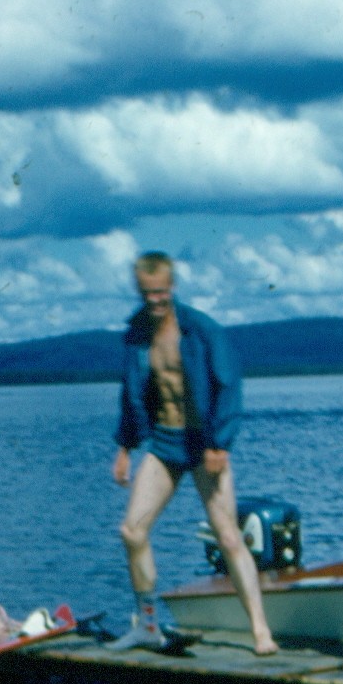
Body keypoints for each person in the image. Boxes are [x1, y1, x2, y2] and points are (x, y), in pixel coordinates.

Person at [111, 251, 278, 655]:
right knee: (132, 531)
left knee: (227, 535)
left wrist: (221, 443)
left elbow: (229, 385)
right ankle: (148, 626)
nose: (155, 301)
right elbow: (132, 391)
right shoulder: (136, 334)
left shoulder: (202, 330)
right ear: (139, 290)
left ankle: (260, 631)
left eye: (162, 292)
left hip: (204, 444)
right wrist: (124, 447)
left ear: (173, 287)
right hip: (165, 442)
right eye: (148, 293)